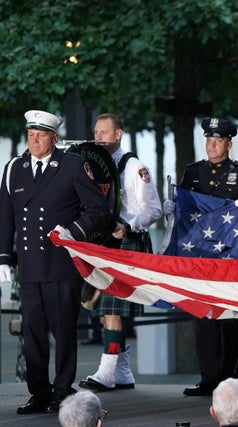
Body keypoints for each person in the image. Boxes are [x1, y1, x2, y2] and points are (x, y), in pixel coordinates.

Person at [0, 110, 114, 414]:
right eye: (30, 135)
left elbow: (98, 209)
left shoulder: (73, 166)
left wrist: (72, 231)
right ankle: (39, 392)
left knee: (63, 329)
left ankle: (62, 391)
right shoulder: (14, 168)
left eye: (41, 135)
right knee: (32, 330)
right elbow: (5, 217)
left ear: (55, 137)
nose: (34, 140)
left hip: (62, 263)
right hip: (30, 264)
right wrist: (3, 257)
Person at [163, 117, 238, 396]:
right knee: (204, 318)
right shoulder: (193, 172)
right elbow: (186, 209)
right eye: (209, 140)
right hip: (202, 255)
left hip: (232, 256)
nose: (212, 145)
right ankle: (209, 377)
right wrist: (172, 208)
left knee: (230, 321)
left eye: (218, 140)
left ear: (229, 143)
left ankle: (229, 377)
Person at [79, 113, 162, 392]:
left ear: (118, 134)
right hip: (104, 242)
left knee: (112, 309)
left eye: (104, 132)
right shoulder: (96, 166)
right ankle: (122, 371)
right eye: (96, 132)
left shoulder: (134, 167)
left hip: (126, 241)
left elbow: (154, 210)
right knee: (105, 311)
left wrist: (128, 226)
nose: (98, 137)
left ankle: (107, 371)